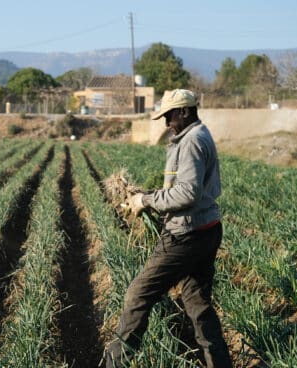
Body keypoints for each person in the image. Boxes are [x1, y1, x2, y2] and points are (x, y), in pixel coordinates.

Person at [106, 89, 232, 367]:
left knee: (138, 295)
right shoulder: (197, 135)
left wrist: (146, 200)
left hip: (185, 236)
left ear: (185, 111)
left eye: (170, 116)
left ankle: (115, 363)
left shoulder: (191, 142)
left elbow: (188, 194)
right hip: (205, 230)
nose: (166, 123)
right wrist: (148, 196)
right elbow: (184, 190)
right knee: (198, 305)